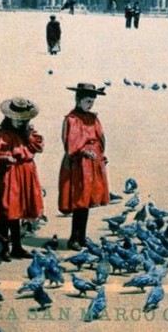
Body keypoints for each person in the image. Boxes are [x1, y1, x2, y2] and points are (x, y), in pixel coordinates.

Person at [0, 96, 44, 259]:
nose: (20, 122)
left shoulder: (29, 133)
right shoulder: (2, 135)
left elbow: (38, 146)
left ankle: (17, 246)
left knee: (19, 210)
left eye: (23, 120)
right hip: (10, 175)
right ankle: (3, 247)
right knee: (7, 210)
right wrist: (5, 158)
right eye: (17, 119)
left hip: (26, 173)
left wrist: (28, 134)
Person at [59, 82, 109, 249]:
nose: (90, 104)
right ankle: (73, 238)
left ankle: (82, 237)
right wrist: (83, 151)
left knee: (87, 201)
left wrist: (101, 156)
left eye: (92, 102)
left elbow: (100, 138)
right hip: (78, 165)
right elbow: (70, 144)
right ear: (78, 100)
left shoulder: (94, 118)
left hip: (93, 163)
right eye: (88, 101)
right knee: (79, 200)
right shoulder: (72, 119)